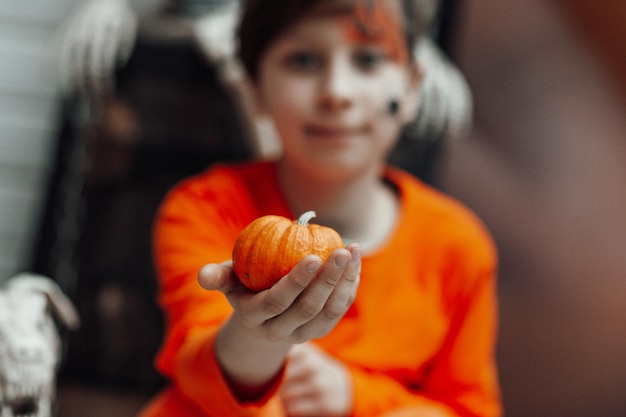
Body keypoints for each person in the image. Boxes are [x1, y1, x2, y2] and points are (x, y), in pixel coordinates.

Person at [138, 0, 502, 416]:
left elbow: (469, 409)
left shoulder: (457, 246)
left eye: (367, 59)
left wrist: (354, 397)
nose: (336, 93)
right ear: (254, 89)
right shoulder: (205, 208)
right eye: (304, 60)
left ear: (412, 88)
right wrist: (258, 336)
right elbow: (198, 376)